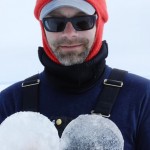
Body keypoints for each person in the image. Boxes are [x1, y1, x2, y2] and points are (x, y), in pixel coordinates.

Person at [0, 0, 150, 149]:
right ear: (43, 27)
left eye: (83, 21)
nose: (70, 34)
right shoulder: (9, 103)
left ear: (99, 23)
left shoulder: (142, 98)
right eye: (55, 22)